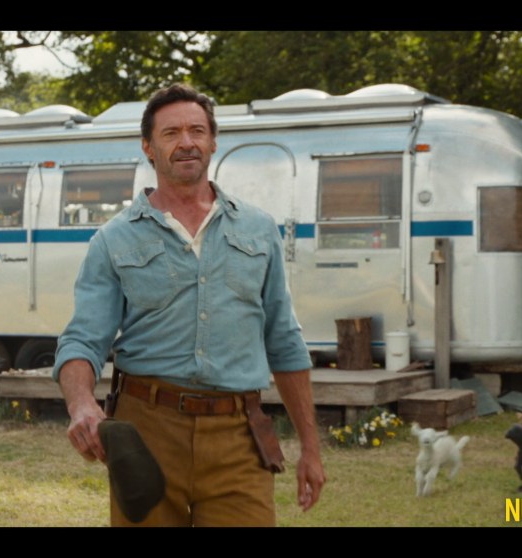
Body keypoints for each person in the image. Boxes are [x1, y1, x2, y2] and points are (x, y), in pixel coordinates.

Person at [53, 83, 325, 526]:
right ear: (148, 147)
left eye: (197, 131)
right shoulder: (113, 239)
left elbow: (284, 341)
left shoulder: (258, 230)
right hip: (146, 434)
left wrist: (311, 449)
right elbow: (82, 339)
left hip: (239, 436)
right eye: (171, 133)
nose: (186, 143)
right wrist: (81, 403)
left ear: (213, 142)